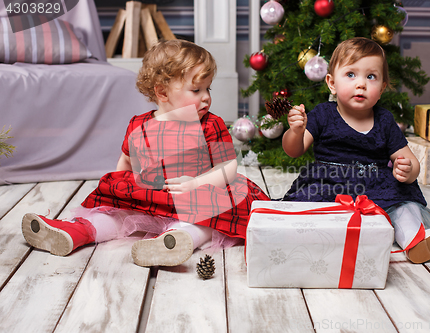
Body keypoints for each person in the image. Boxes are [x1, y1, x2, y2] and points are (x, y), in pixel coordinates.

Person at [22, 39, 270, 267]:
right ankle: (77, 232)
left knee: (204, 218)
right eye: (196, 91)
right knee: (119, 217)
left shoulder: (209, 125)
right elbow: (126, 162)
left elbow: (228, 168)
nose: (206, 98)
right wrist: (117, 196)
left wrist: (196, 183)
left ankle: (173, 241)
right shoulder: (138, 124)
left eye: (208, 89)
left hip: (196, 195)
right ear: (162, 93)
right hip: (152, 196)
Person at [281, 37, 430, 263]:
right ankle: (313, 239)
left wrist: (408, 170)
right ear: (331, 83)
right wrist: (296, 132)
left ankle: (416, 242)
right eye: (351, 74)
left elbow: (410, 160)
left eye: (371, 76)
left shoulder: (384, 120)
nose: (361, 84)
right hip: (330, 182)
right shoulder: (322, 114)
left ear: (382, 87)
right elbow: (294, 150)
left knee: (403, 204)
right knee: (309, 209)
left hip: (376, 183)